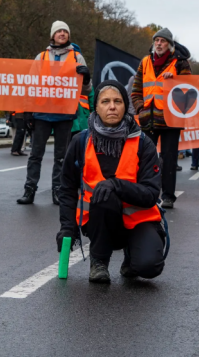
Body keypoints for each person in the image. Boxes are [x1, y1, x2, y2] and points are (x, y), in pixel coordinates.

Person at [57, 81, 165, 283]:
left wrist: (116, 185)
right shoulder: (80, 141)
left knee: (149, 267)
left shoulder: (143, 142)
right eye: (105, 101)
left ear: (125, 106)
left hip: (138, 221)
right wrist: (67, 227)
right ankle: (99, 261)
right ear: (96, 107)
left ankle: (132, 257)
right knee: (103, 196)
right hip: (100, 221)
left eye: (117, 101)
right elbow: (67, 189)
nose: (112, 106)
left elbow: (151, 194)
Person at [16, 21, 92, 205]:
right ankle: (29, 190)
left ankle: (58, 191)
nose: (62, 33)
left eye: (65, 31)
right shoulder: (41, 57)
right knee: (36, 154)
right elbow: (31, 85)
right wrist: (27, 112)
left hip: (64, 114)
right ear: (52, 35)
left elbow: (87, 90)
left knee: (61, 156)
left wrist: (87, 77)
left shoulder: (77, 58)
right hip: (42, 113)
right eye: (59, 31)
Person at [131, 28, 192, 208]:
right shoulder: (145, 62)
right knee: (145, 158)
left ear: (169, 44)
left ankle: (168, 196)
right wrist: (140, 107)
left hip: (170, 119)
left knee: (169, 159)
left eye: (163, 41)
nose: (159, 43)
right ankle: (146, 192)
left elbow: (191, 88)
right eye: (156, 40)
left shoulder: (180, 63)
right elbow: (136, 89)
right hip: (147, 118)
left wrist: (175, 79)